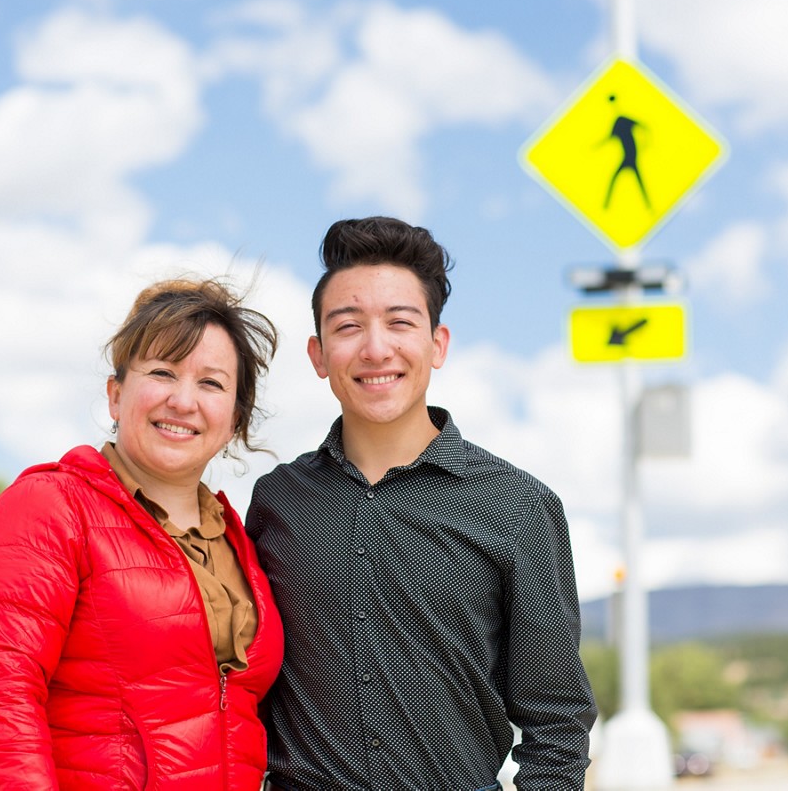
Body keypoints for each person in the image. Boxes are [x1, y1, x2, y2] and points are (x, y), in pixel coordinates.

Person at [246, 217, 597, 791]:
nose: (375, 348)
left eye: (400, 323)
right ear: (318, 353)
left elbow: (558, 727)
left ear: (437, 345)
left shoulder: (518, 507)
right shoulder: (278, 499)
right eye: (348, 326)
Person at [0, 277, 284, 790]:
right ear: (116, 395)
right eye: (162, 372)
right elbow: (2, 696)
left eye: (211, 383)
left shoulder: (239, 542)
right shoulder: (51, 507)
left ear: (235, 419)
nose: (182, 400)